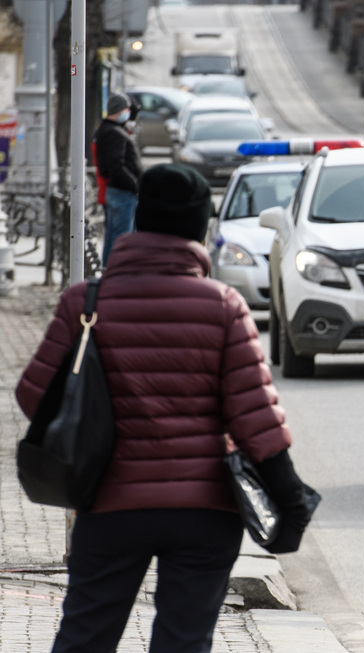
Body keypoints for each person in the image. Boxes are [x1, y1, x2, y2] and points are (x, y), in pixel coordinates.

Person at [16, 163, 316, 652]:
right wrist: (290, 500)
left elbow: (33, 395)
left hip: (109, 505)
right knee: (183, 642)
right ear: (201, 227)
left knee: (84, 638)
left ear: (140, 220)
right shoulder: (224, 306)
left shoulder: (85, 302)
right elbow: (253, 417)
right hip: (204, 510)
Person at [93, 91, 142, 267]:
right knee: (121, 239)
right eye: (127, 109)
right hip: (122, 192)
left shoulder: (107, 130)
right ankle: (115, 273)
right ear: (120, 110)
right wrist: (136, 185)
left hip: (116, 191)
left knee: (113, 237)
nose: (129, 113)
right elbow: (117, 166)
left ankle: (107, 271)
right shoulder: (114, 133)